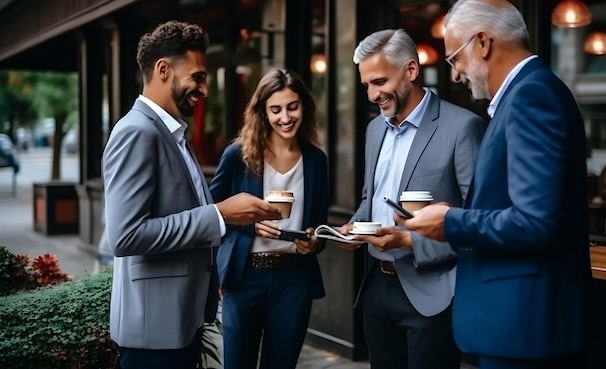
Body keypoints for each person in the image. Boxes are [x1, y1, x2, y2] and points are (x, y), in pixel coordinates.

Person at [402, 0, 592, 369]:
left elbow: (535, 222)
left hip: (525, 330)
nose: (454, 74)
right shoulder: (530, 93)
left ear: (483, 43)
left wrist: (450, 222)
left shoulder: (530, 97)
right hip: (524, 326)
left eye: (455, 58)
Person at [102, 20, 282, 369]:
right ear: (163, 69)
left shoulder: (171, 133)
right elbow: (125, 236)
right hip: (154, 333)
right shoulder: (137, 132)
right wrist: (220, 214)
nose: (205, 88)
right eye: (197, 76)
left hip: (180, 323)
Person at [340, 28, 486, 369]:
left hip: (434, 295)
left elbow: (478, 222)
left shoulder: (464, 127)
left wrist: (410, 241)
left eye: (379, 82)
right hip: (375, 286)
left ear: (411, 70)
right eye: (366, 86)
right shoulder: (374, 129)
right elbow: (370, 199)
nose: (372, 94)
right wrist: (353, 227)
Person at [209, 68, 329, 369]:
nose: (285, 117)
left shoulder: (316, 160)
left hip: (294, 280)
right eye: (275, 109)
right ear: (262, 112)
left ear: (304, 107)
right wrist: (248, 225)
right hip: (244, 277)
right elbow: (210, 215)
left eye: (293, 107)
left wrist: (314, 243)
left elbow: (319, 225)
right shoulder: (238, 155)